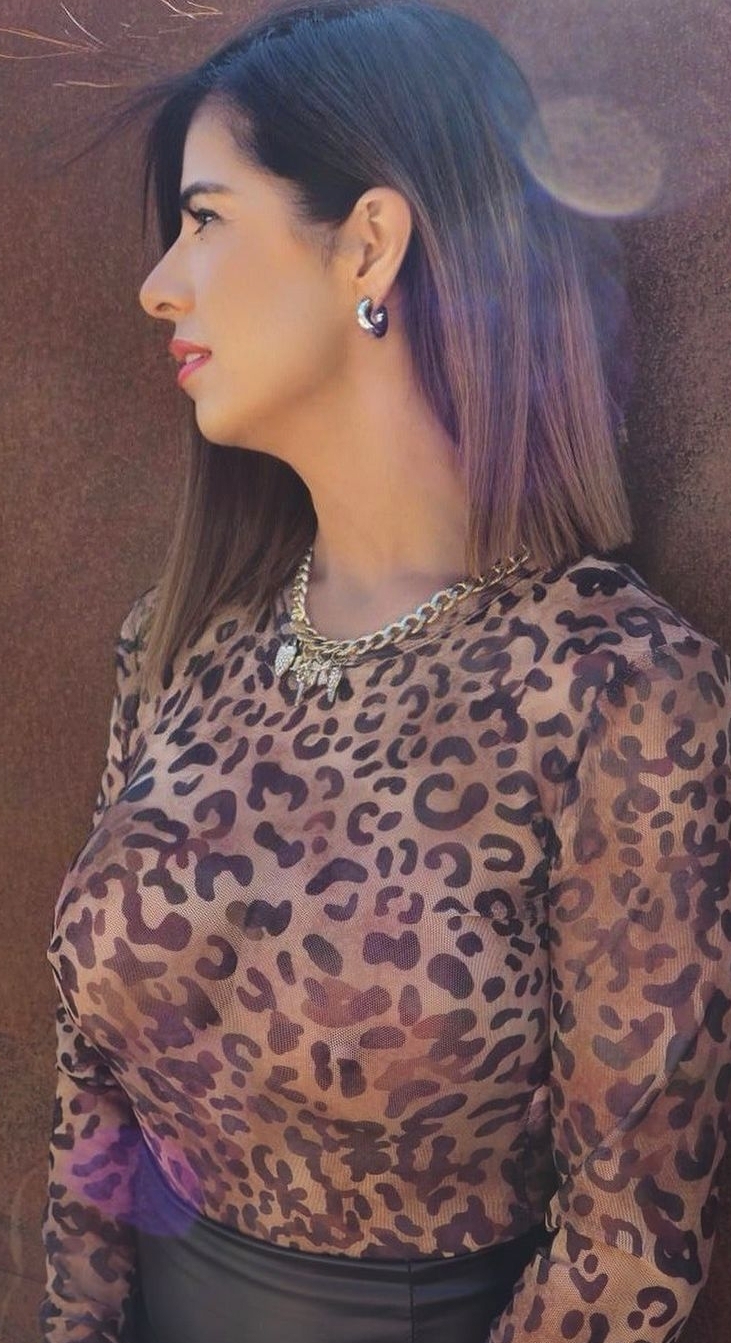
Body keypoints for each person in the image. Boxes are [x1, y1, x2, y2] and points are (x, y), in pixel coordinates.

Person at [40, 2, 731, 1341]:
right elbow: (93, 1099)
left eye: (204, 217)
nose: (158, 285)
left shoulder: (621, 694)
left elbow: (631, 1243)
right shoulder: (181, 641)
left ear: (368, 241)